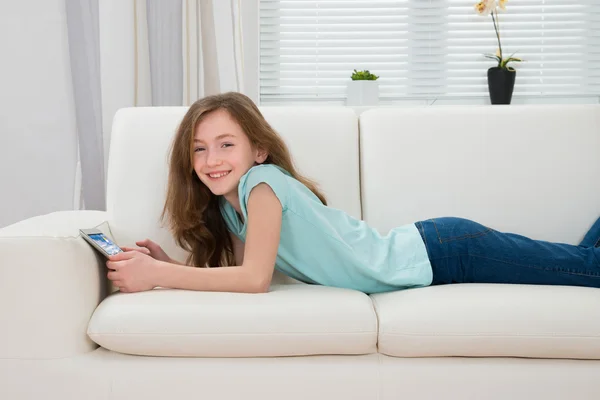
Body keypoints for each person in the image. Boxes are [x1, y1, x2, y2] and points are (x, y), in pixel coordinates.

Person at [106, 92, 600, 294]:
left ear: (258, 150)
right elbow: (241, 273)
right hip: (437, 249)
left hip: (448, 252)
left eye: (225, 144)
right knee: (580, 261)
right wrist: (167, 263)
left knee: (586, 271)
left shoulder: (263, 184)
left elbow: (256, 280)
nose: (211, 160)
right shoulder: (233, 206)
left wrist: (158, 275)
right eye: (199, 149)